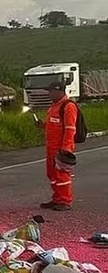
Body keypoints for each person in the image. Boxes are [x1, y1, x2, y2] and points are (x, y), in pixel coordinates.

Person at [35, 80, 77, 211]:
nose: (49, 94)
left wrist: (66, 148)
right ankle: (57, 198)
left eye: (51, 91)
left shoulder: (68, 106)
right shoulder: (54, 106)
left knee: (62, 174)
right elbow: (55, 124)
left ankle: (65, 200)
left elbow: (70, 128)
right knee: (52, 174)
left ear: (59, 91)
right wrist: (43, 125)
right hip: (51, 146)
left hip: (61, 147)